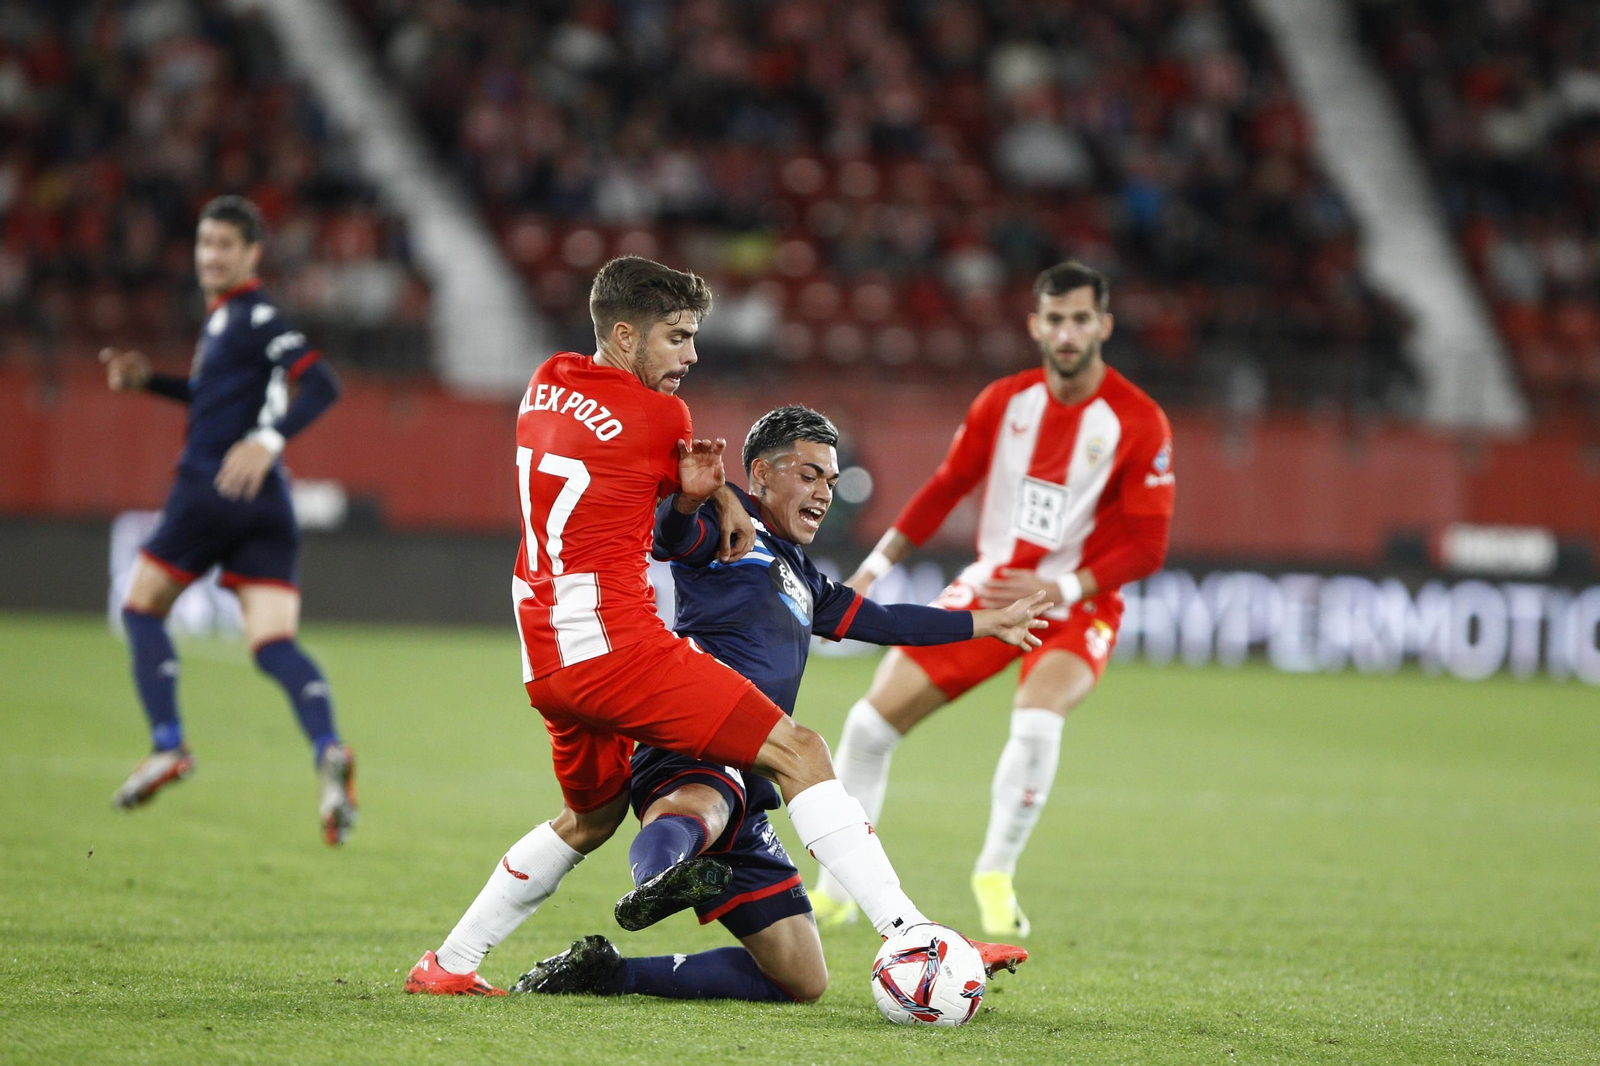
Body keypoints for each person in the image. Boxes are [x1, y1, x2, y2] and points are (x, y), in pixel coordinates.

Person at [404, 257, 1026, 997]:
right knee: (800, 749)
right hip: (616, 647)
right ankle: (910, 931)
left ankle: (450, 963)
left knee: (589, 819)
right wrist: (717, 501)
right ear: (626, 336)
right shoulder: (662, 418)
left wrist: (979, 621)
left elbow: (863, 609)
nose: (691, 356)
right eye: (677, 337)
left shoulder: (546, 381)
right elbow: (680, 527)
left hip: (546, 656)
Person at [511, 405, 1046, 1002]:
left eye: (831, 481)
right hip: (699, 728)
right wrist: (693, 502)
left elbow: (887, 620)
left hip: (757, 768)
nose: (824, 493)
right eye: (810, 475)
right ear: (762, 474)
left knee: (800, 978)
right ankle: (658, 879)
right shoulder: (727, 525)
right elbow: (671, 537)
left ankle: (611, 972)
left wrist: (986, 623)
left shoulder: (804, 576)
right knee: (703, 805)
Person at [811, 260, 1176, 937]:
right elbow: (945, 487)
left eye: (1080, 319)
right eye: (1055, 319)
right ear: (1036, 325)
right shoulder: (1004, 403)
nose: (1067, 333)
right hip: (994, 587)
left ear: (1103, 326)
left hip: (1079, 602)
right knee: (866, 728)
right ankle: (836, 889)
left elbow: (1147, 547)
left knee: (1037, 723)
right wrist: (873, 568)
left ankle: (995, 873)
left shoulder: (1138, 421)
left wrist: (1060, 587)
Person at [101, 195, 355, 845]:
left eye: (224, 246)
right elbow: (211, 398)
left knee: (141, 609)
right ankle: (328, 748)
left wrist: (269, 439)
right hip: (266, 501)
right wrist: (148, 383)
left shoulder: (253, 314)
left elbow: (322, 382)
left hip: (211, 488)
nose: (211, 256)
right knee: (273, 645)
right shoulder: (225, 320)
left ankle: (167, 744)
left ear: (252, 254)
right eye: (204, 244)